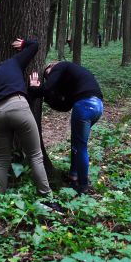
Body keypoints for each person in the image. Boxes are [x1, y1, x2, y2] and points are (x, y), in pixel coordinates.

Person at [0, 38, 57, 207]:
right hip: (18, 105)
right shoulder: (13, 62)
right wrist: (24, 43)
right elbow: (35, 46)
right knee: (35, 156)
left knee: (2, 160)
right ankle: (47, 199)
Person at [29, 61, 103, 194]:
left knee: (80, 146)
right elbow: (65, 106)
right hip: (97, 107)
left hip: (85, 106)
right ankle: (73, 176)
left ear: (52, 65)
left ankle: (83, 185)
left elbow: (47, 88)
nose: (48, 76)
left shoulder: (60, 66)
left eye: (47, 73)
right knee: (77, 143)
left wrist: (34, 89)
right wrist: (48, 97)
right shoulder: (71, 82)